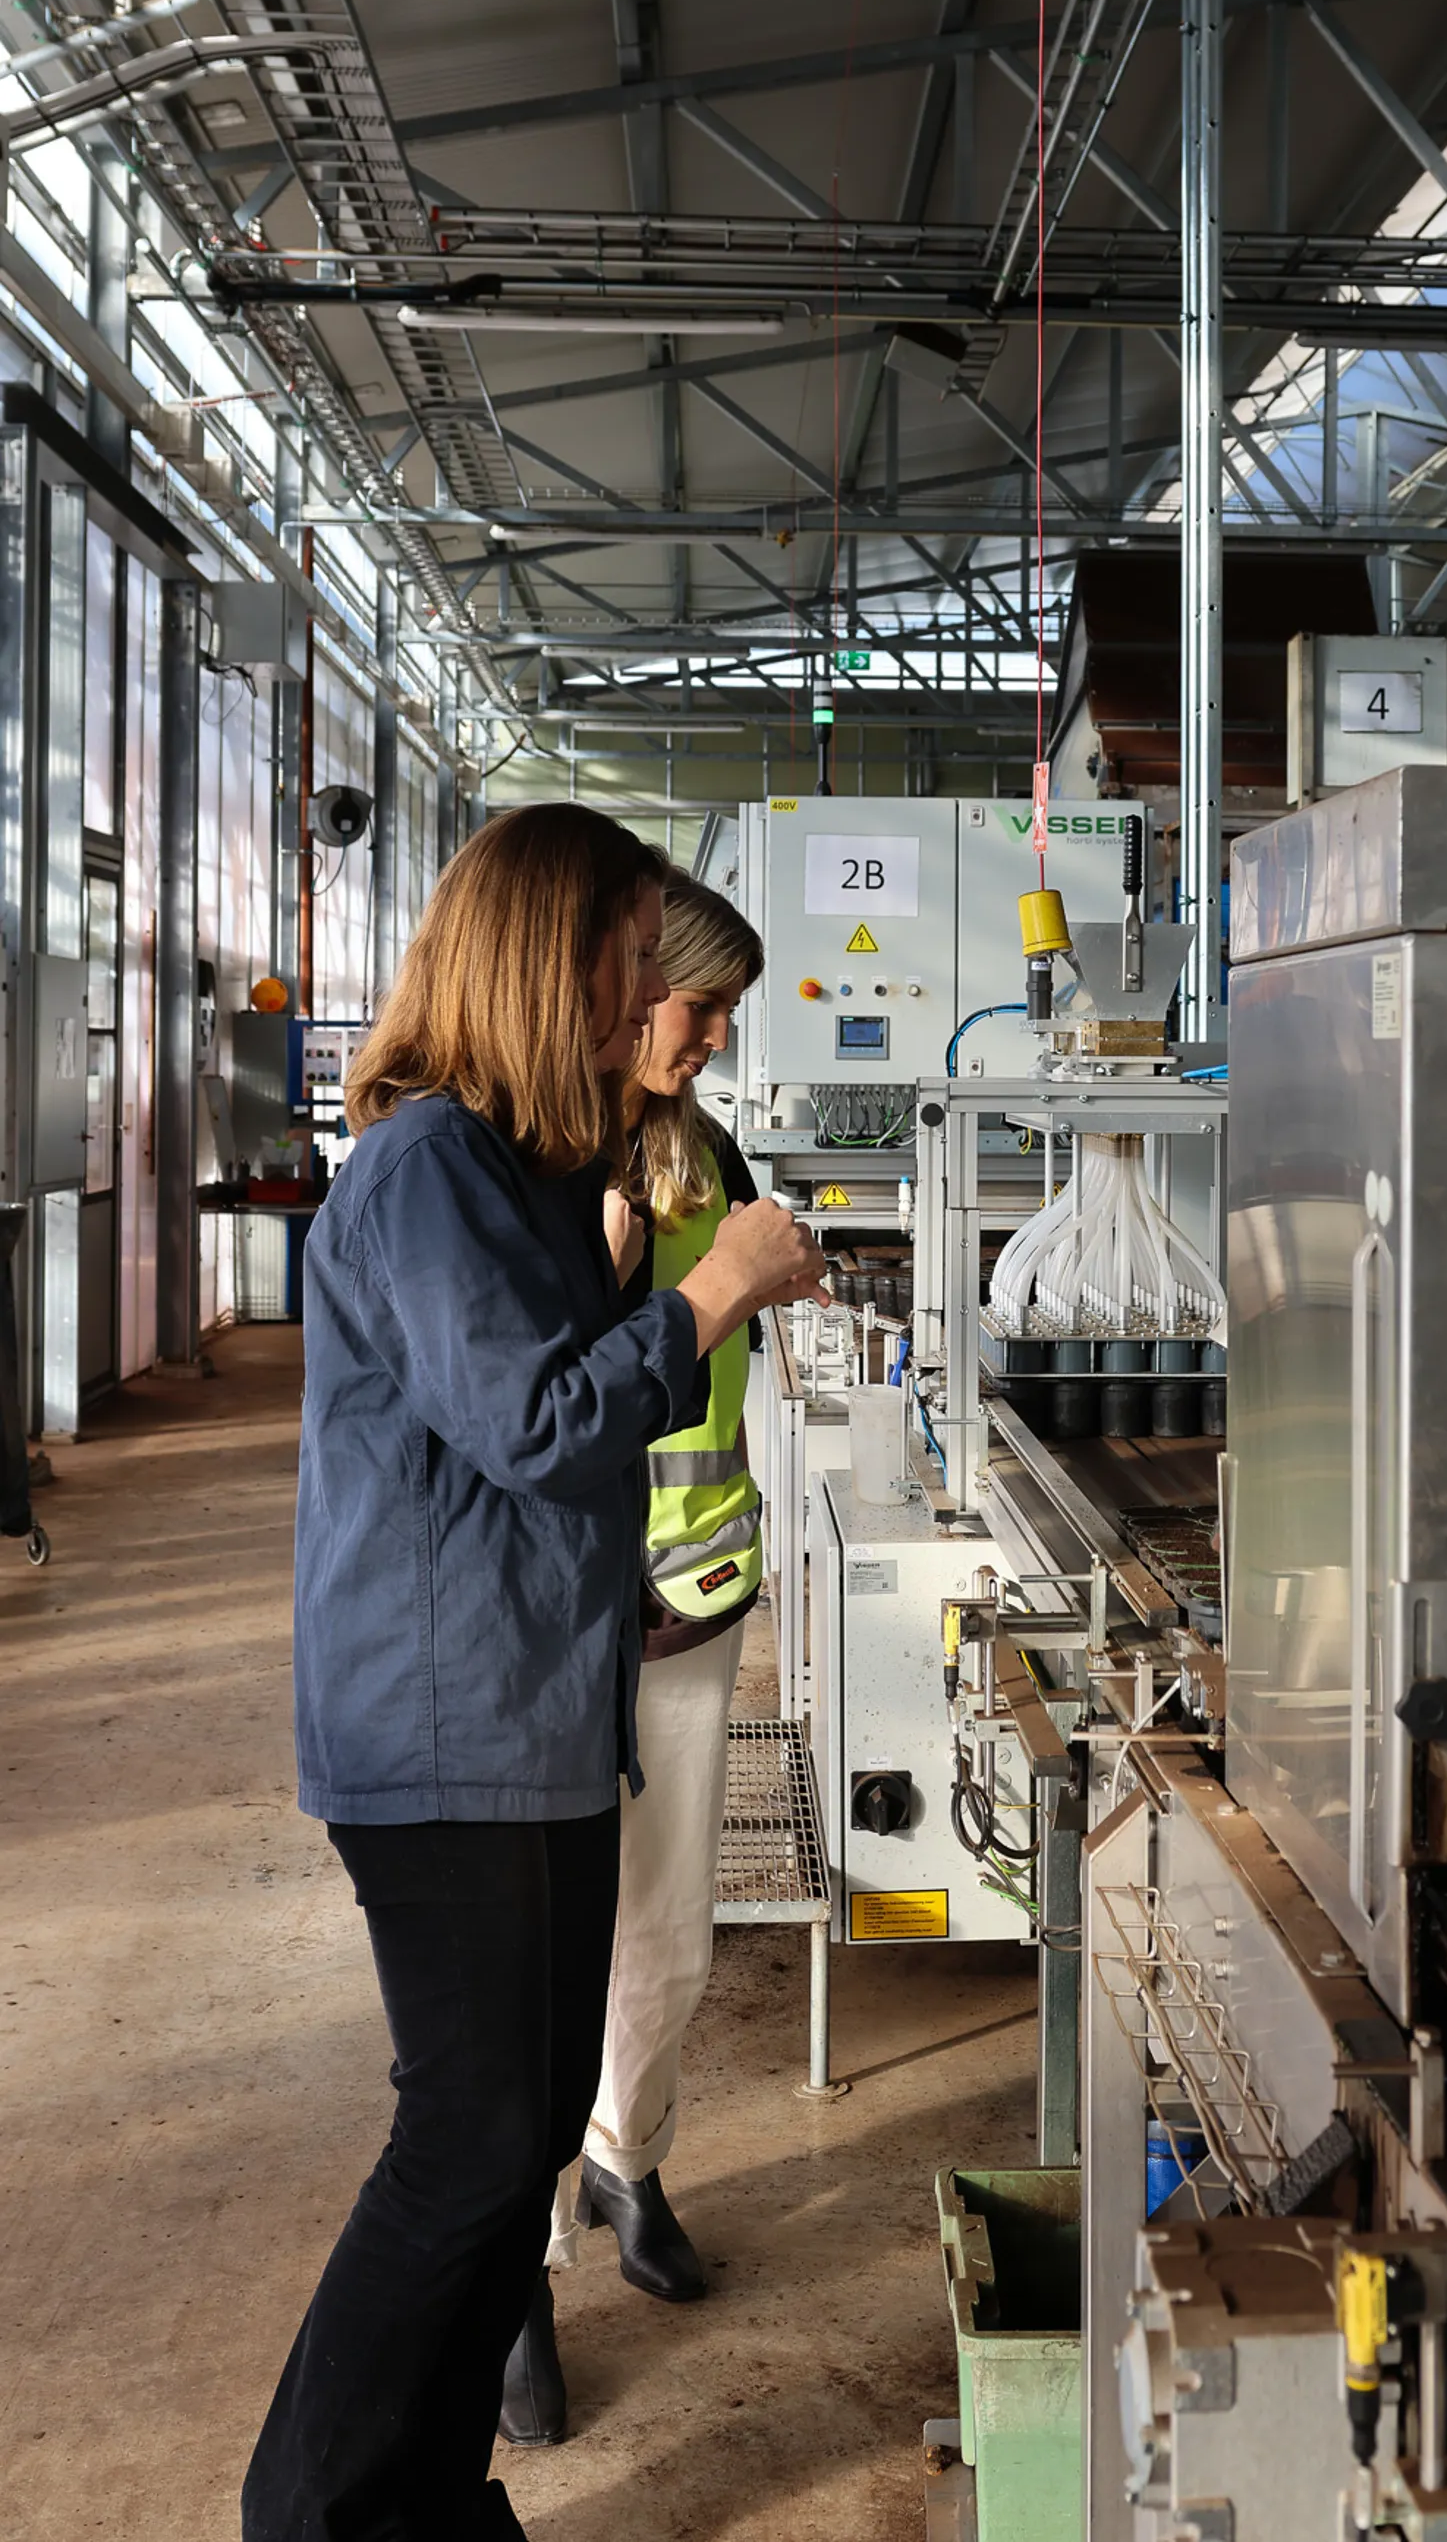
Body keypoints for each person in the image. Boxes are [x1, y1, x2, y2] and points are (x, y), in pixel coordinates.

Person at [241, 805, 828, 2542]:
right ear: (547, 959)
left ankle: (423, 2494)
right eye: (640, 959)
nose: (660, 995)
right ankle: (321, 2514)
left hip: (537, 1712)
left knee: (512, 2163)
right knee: (469, 2150)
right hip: (445, 1738)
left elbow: (548, 1434)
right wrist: (712, 1288)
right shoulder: (425, 1168)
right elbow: (544, 1427)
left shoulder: (524, 1171)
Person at [499, 870, 772, 2445]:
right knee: (543, 1953)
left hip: (699, 1602)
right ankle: (522, 2267)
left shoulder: (707, 1150)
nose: (719, 1037)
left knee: (667, 1932)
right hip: (577, 1627)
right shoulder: (552, 1168)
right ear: (623, 989)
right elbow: (550, 1411)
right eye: (701, 1006)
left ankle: (629, 2160)